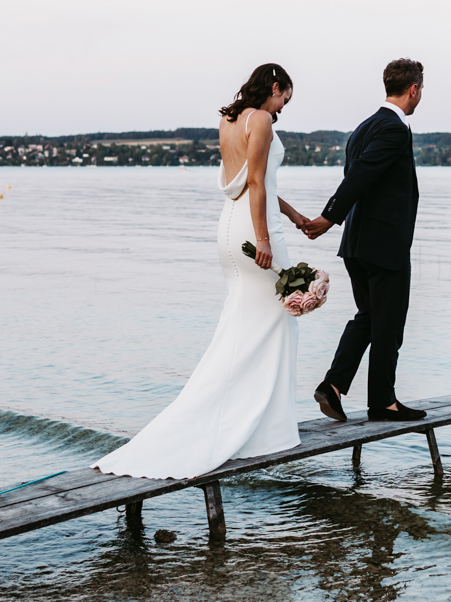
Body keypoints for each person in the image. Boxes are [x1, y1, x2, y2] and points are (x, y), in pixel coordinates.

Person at [95, 64, 315, 479]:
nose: (284, 108)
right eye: (285, 98)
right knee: (278, 319)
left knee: (246, 323)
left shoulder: (229, 120)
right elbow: (257, 184)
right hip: (255, 230)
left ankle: (250, 420)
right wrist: (265, 239)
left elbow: (253, 180)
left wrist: (295, 215)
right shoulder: (261, 120)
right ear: (275, 87)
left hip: (230, 226)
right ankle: (263, 429)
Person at [300, 58, 426, 422]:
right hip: (383, 244)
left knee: (368, 317)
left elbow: (359, 176)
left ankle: (333, 385)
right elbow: (360, 175)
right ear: (413, 89)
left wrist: (338, 220)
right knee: (389, 325)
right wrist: (329, 216)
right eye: (421, 90)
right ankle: (383, 403)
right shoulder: (394, 129)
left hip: (357, 242)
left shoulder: (363, 127)